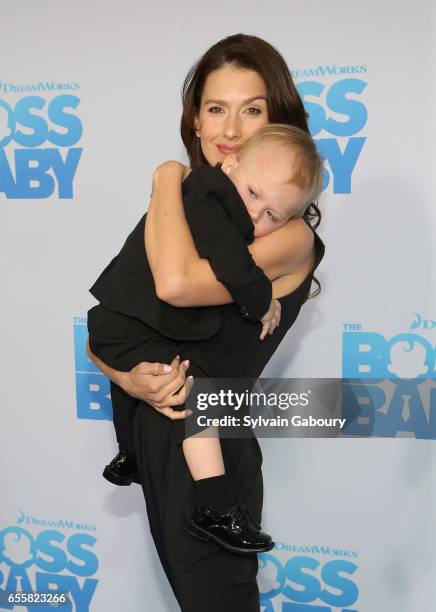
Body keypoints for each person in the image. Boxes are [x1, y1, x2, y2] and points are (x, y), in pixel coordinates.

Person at [87, 33, 325, 612]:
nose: (231, 128)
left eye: (253, 109)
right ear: (195, 120)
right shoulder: (194, 212)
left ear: (278, 121)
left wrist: (165, 178)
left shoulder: (288, 233)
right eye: (216, 108)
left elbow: (174, 284)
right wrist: (124, 377)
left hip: (213, 442)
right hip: (157, 429)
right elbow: (123, 313)